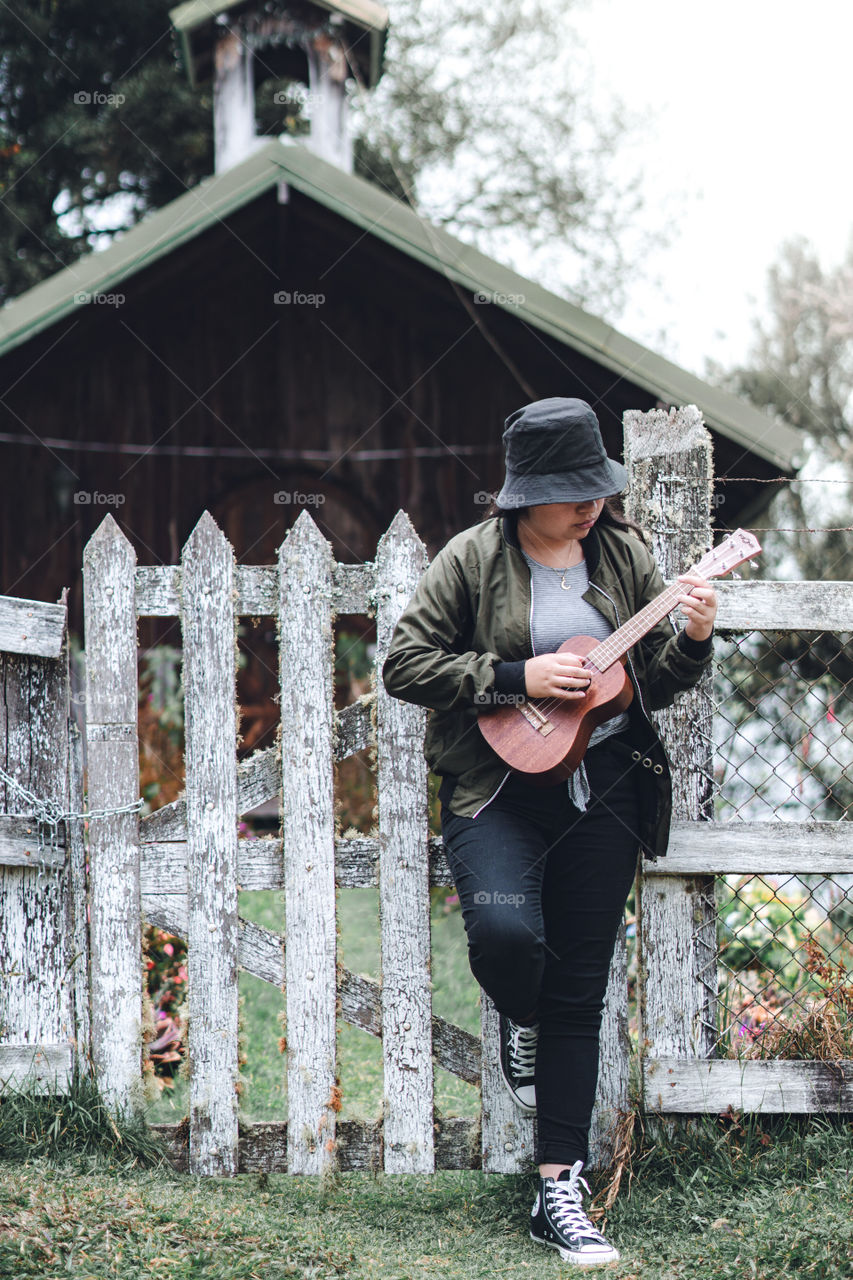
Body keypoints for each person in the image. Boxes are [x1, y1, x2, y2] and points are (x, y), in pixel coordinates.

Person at [382, 397, 717, 1268]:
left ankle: (557, 1192)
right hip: (496, 790)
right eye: (570, 491)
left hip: (602, 790)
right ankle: (518, 1013)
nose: (589, 505)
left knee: (583, 988)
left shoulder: (623, 556)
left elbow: (657, 681)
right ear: (523, 492)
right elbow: (403, 664)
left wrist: (691, 639)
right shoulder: (470, 560)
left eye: (595, 487)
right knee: (502, 932)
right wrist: (513, 674)